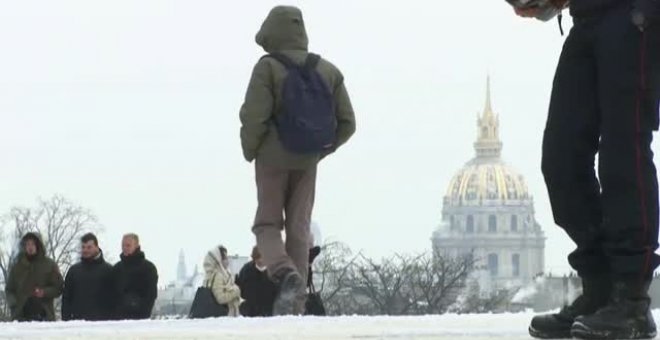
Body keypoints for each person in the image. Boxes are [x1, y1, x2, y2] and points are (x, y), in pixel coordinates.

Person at [515, 0, 660, 339]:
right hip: (588, 16)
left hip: (635, 14)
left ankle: (631, 300)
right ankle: (600, 287)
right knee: (560, 157)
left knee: (624, 153)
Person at [239, 5, 356, 315]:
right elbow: (348, 122)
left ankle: (283, 272)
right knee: (299, 227)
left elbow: (254, 116)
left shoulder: (267, 67)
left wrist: (251, 150)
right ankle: (296, 303)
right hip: (308, 160)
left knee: (266, 223)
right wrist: (320, 151)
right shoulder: (327, 70)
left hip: (272, 158)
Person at [4, 232, 63, 321]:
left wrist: (44, 292)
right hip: (20, 316)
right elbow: (9, 289)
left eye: (33, 244)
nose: (30, 247)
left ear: (38, 245)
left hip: (45, 315)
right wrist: (13, 305)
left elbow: (58, 287)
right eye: (27, 244)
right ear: (24, 246)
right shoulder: (17, 267)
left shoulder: (49, 265)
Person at [61, 233, 114, 321]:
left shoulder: (108, 270)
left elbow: (113, 299)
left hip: (102, 322)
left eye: (89, 247)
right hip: (77, 322)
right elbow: (66, 298)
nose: (85, 250)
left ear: (97, 247)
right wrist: (66, 320)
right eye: (83, 247)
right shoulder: (74, 271)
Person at [113, 233, 158, 320]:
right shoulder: (117, 269)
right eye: (123, 245)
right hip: (118, 319)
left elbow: (151, 294)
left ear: (137, 246)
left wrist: (143, 312)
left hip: (140, 318)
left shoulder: (148, 268)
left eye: (128, 245)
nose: (125, 248)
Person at [236, 246, 278, 317]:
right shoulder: (246, 270)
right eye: (257, 258)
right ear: (254, 258)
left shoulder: (274, 270)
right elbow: (240, 288)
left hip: (270, 312)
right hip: (251, 313)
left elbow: (279, 290)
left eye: (262, 257)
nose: (260, 260)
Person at [202, 245, 241, 317]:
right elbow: (220, 298)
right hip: (224, 317)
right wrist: (236, 291)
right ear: (219, 260)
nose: (227, 261)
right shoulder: (218, 276)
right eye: (225, 258)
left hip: (227, 316)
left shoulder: (225, 274)